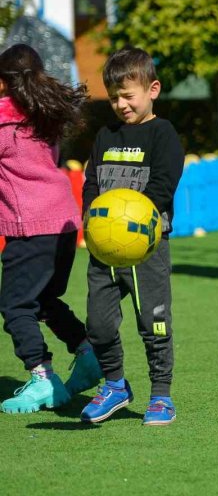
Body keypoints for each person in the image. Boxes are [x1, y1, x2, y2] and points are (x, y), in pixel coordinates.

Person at [81, 48, 185, 426]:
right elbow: (91, 181)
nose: (121, 104)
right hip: (104, 251)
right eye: (113, 97)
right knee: (98, 324)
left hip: (146, 249)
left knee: (154, 323)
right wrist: (91, 218)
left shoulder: (163, 133)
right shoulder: (105, 135)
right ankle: (114, 386)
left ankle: (161, 394)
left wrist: (134, 218)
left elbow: (164, 184)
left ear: (152, 89)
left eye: (128, 95)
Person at [0, 44, 102, 414]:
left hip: (31, 226)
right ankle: (87, 354)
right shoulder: (48, 115)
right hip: (63, 222)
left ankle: (42, 377)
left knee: (15, 305)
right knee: (44, 300)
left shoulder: (3, 118)